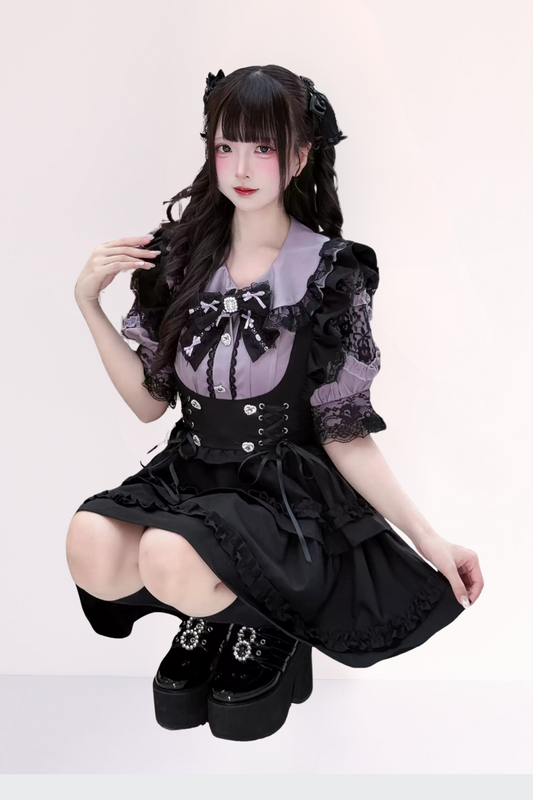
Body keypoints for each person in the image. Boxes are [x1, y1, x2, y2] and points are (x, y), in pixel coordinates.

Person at [67, 65, 484, 742]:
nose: (241, 167)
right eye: (226, 145)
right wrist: (88, 304)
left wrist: (427, 536)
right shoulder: (178, 258)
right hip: (193, 472)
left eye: (262, 147)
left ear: (298, 156)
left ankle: (264, 622)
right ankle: (217, 611)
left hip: (282, 493)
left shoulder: (328, 271)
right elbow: (149, 405)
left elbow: (344, 431)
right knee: (89, 544)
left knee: (170, 553)